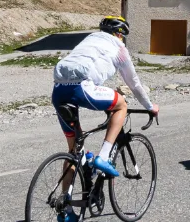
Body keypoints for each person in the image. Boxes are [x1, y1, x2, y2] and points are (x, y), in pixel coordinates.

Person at [52, 16, 159, 179]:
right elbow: (134, 83)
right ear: (119, 34)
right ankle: (102, 157)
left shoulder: (90, 38)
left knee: (74, 152)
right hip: (83, 88)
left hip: (58, 90)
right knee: (121, 105)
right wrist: (150, 107)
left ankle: (65, 201)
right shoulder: (119, 48)